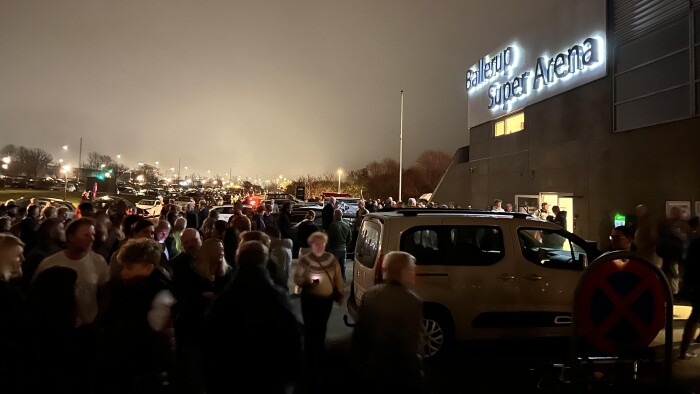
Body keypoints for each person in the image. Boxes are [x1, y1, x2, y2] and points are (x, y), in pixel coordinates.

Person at [202, 241, 302, 394]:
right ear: (265, 261)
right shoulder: (277, 299)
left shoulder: (223, 302)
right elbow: (293, 344)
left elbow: (210, 349)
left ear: (238, 260)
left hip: (231, 382)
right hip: (271, 381)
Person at [102, 238, 176, 392]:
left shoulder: (159, 292)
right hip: (123, 362)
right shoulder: (120, 286)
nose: (123, 272)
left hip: (145, 366)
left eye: (129, 267)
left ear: (148, 268)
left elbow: (160, 333)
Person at [352, 251, 426, 393]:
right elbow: (412, 343)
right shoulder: (411, 301)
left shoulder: (371, 294)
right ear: (403, 272)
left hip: (371, 368)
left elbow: (360, 333)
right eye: (412, 270)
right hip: (397, 373)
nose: (414, 274)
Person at [294, 232, 344, 374]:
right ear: (311, 245)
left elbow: (338, 277)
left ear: (326, 244)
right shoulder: (305, 260)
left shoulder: (331, 258)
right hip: (310, 299)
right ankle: (309, 357)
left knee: (321, 326)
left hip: (326, 300)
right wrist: (308, 282)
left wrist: (340, 291)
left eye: (322, 243)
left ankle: (319, 353)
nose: (319, 246)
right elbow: (297, 278)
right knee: (310, 327)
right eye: (316, 244)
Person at [326, 209, 352, 281]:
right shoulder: (347, 225)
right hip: (343, 248)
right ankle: (343, 278)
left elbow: (329, 238)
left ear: (335, 215)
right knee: (343, 265)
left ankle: (334, 280)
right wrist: (345, 245)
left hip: (334, 249)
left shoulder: (332, 225)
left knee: (333, 266)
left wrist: (328, 248)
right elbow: (349, 238)